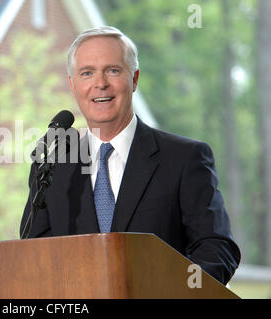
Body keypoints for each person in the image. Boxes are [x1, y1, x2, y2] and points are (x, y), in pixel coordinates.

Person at [19, 26, 241, 285]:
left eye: (112, 70)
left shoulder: (184, 158)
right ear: (73, 84)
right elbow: (34, 257)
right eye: (87, 73)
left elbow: (216, 248)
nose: (100, 84)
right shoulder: (52, 167)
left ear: (134, 79)